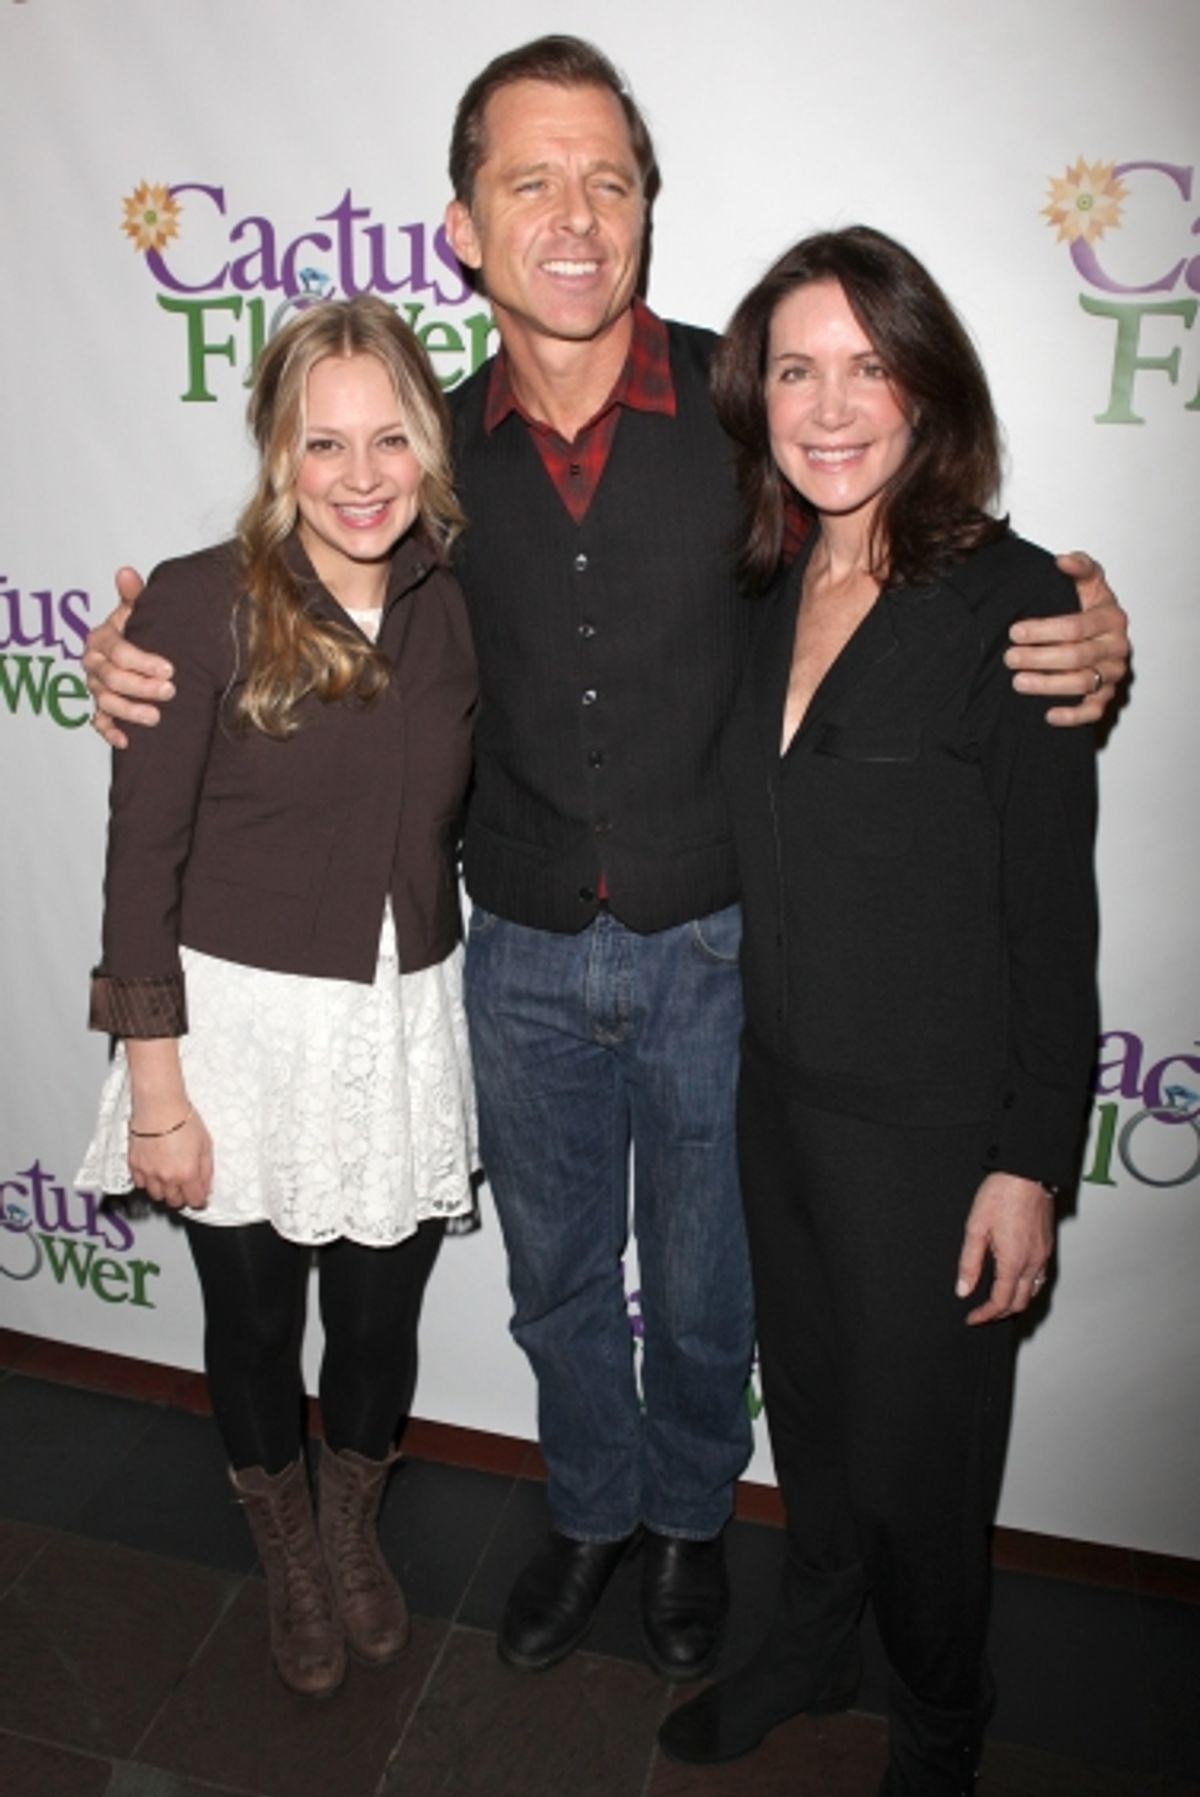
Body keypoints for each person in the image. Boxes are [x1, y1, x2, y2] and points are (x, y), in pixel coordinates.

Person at [81, 38, 1129, 1689]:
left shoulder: (749, 410)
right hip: (511, 952)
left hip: (719, 950)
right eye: (532, 182)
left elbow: (903, 541)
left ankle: (692, 1523)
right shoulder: (426, 458)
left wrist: (1074, 611)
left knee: (710, 1291)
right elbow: (285, 577)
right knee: (560, 1282)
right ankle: (586, 1512)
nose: (575, 217)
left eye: (609, 182)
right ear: (462, 229)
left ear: (647, 207)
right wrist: (136, 645)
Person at [657, 227, 1099, 1797]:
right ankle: (812, 1642)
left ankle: (939, 1752)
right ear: (755, 395)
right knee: (823, 1427)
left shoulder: (1017, 607)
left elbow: (1051, 918)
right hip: (777, 1102)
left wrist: (1028, 1157)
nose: (830, 406)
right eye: (796, 368)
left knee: (927, 1482)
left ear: (928, 388)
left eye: (868, 366)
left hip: (934, 1142)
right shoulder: (765, 582)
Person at [77, 296, 478, 1700]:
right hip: (236, 1037)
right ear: (276, 453)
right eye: (324, 443)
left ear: (429, 449)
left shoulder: (456, 603)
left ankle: (352, 1526)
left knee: (375, 1327)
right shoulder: (199, 602)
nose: (361, 476)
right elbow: (143, 863)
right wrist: (158, 1092)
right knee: (252, 1329)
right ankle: (289, 1551)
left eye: (389, 439)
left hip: (400, 1022)